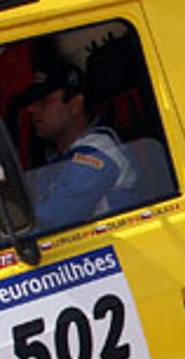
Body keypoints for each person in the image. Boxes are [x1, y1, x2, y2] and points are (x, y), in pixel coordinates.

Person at [16, 56, 140, 232]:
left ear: (76, 103)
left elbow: (52, 219)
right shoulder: (54, 159)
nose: (31, 109)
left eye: (44, 100)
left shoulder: (98, 150)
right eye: (31, 102)